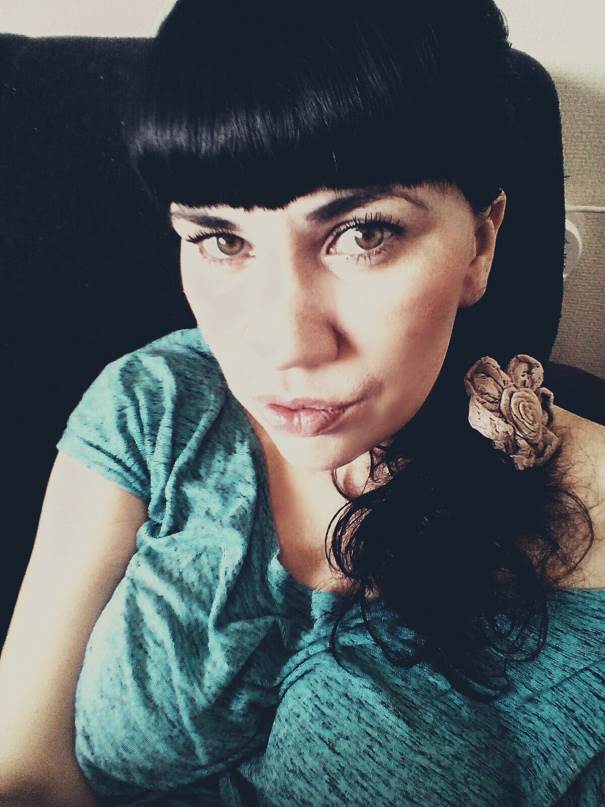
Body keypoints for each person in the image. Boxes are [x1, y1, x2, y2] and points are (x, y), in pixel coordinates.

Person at [1, 0, 604, 804]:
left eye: (363, 234)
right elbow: (24, 771)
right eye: (221, 239)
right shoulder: (156, 402)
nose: (281, 344)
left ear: (480, 243)